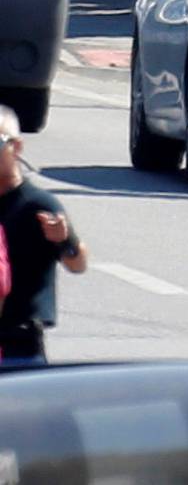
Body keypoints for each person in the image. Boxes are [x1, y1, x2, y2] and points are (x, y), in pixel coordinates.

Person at [0, 108, 86, 367]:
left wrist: (64, 239)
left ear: (16, 147)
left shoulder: (37, 204)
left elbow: (77, 263)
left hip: (20, 347)